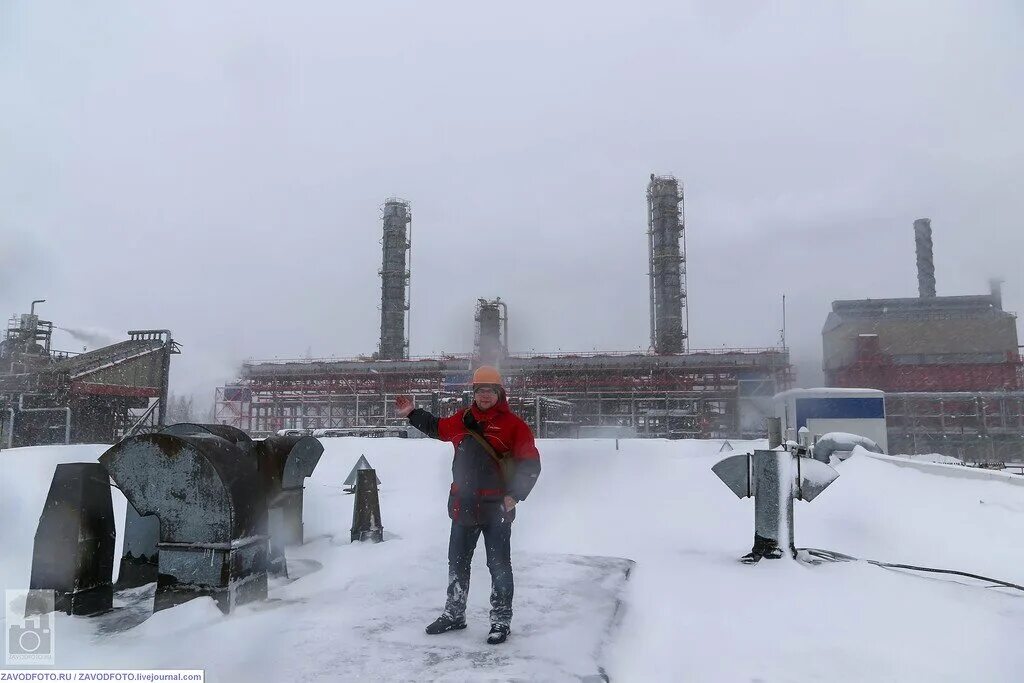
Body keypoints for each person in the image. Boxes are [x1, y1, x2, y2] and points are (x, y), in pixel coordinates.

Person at [394, 365, 541, 645]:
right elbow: (437, 427)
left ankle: (500, 619)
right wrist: (413, 414)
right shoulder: (463, 420)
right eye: (480, 390)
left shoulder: (514, 426)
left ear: (499, 393)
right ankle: (454, 614)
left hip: (497, 507)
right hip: (463, 506)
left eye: (490, 390)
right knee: (457, 563)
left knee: (499, 565)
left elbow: (530, 464)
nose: (485, 395)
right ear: (473, 393)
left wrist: (515, 495)